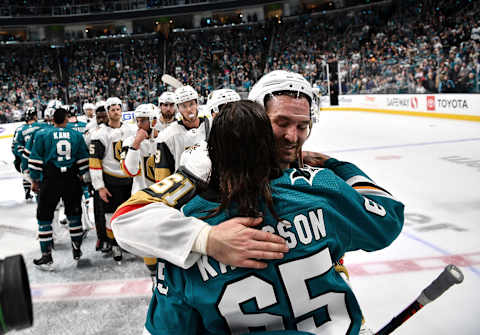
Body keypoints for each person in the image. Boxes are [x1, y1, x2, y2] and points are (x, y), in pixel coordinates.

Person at [141, 100, 405, 334]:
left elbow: (165, 328)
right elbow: (388, 216)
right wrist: (336, 165)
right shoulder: (319, 189)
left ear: (211, 153)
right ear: (269, 146)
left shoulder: (184, 229)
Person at [112, 70, 378, 270]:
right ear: (257, 117)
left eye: (302, 125)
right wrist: (207, 238)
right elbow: (127, 219)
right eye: (281, 122)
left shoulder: (313, 177)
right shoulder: (204, 164)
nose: (292, 137)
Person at [28, 106, 89, 270]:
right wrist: (84, 178)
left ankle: (46, 255)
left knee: (44, 216)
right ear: (67, 119)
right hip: (71, 178)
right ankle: (77, 248)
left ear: (52, 120)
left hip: (51, 179)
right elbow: (83, 159)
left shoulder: (42, 134)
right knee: (74, 215)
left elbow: (35, 160)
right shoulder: (76, 135)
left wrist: (34, 180)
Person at [89, 97, 134, 261]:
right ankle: (114, 244)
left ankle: (126, 243)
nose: (116, 112)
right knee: (110, 215)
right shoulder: (100, 134)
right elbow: (94, 162)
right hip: (111, 181)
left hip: (129, 181)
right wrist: (99, 186)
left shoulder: (131, 130)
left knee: (129, 214)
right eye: (112, 109)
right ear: (108, 112)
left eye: (118, 109)